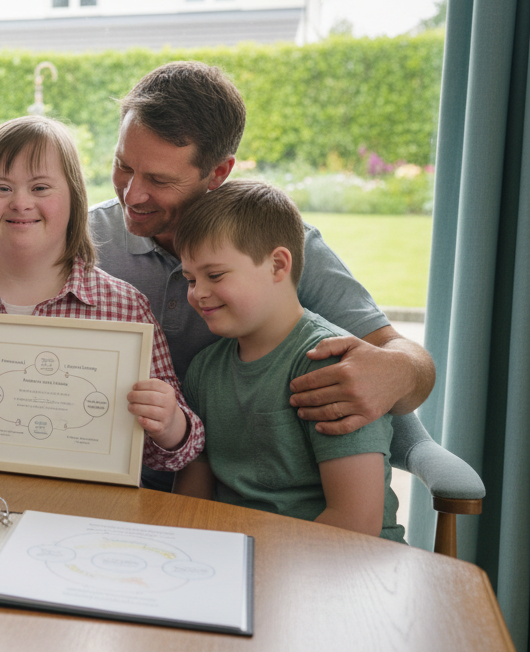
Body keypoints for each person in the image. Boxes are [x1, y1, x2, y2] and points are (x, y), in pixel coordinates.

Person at [89, 61, 435, 490]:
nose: (132, 194)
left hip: (229, 497)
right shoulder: (84, 238)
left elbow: (409, 362)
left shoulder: (273, 247)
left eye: (159, 179)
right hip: (101, 478)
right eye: (123, 166)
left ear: (218, 172)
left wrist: (396, 371)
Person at [0, 116, 203, 471]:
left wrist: (170, 424)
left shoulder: (124, 308)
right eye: (1, 188)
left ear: (74, 198)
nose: (20, 202)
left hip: (82, 510)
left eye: (41, 188)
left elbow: (170, 454)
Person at [172, 179, 404, 541]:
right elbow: (190, 501)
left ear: (278, 265)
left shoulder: (330, 364)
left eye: (214, 275)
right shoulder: (205, 369)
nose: (198, 293)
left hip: (342, 563)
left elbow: (357, 520)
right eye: (189, 279)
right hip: (234, 557)